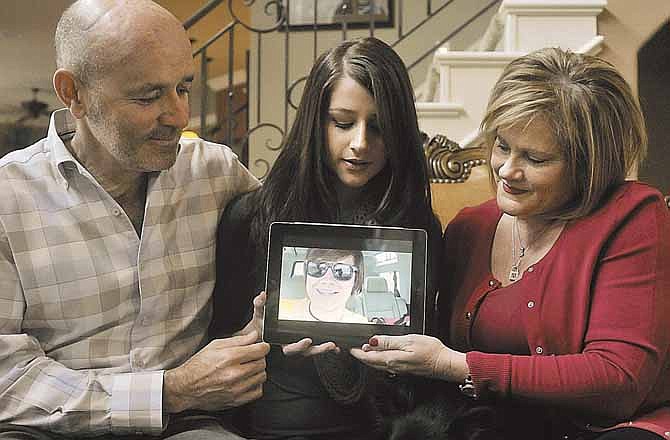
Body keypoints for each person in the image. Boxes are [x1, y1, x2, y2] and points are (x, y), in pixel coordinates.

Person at [351, 47, 670, 439]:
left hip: (610, 428)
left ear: (589, 165)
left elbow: (617, 380)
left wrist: (457, 365)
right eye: (502, 146)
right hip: (497, 424)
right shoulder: (470, 227)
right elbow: (430, 350)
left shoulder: (632, 217)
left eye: (535, 159)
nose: (507, 170)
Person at [0, 1, 270, 439]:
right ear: (74, 94)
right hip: (46, 429)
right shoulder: (7, 199)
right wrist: (168, 392)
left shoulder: (214, 172)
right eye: (148, 97)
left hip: (186, 426)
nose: (180, 117)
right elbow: (6, 378)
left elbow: (297, 231)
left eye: (183, 88)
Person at [209, 37, 442, 439]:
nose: (361, 143)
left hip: (385, 425)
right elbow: (214, 347)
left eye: (380, 126)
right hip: (273, 425)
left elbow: (426, 364)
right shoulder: (250, 217)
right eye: (343, 122)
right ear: (316, 123)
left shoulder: (417, 225)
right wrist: (255, 330)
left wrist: (395, 355)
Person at [278, 248, 368, 324]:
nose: (327, 280)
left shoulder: (362, 324)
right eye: (317, 268)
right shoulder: (282, 313)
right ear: (306, 275)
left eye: (342, 271)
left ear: (356, 280)